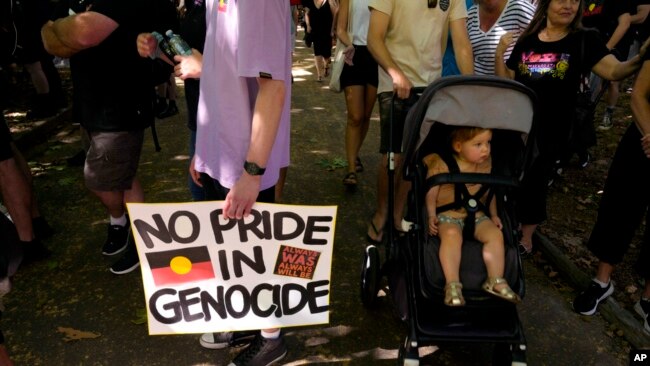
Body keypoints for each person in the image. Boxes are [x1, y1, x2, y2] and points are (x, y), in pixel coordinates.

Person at [495, 0, 650, 255]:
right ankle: (506, 224)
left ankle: (526, 239)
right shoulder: (528, 40)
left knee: (537, 177)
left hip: (553, 127)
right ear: (546, 5)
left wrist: (640, 57)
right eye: (561, 0)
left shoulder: (584, 39)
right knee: (513, 175)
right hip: (520, 125)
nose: (568, 5)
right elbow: (509, 81)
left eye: (574, 1)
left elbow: (613, 71)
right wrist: (499, 55)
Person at [186, 0, 292, 364]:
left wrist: (252, 173)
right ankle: (243, 317)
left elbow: (273, 88)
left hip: (246, 160)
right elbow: (224, 69)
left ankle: (271, 337)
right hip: (222, 149)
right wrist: (204, 148)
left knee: (256, 252)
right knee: (231, 248)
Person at [41, 0, 178, 274]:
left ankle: (140, 239)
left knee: (102, 179)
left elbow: (81, 34)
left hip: (121, 103)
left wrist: (62, 30)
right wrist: (61, 32)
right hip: (90, 102)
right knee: (120, 174)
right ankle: (122, 225)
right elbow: (48, 41)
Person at [366, 0, 474, 243]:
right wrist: (395, 73)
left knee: (414, 155)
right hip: (395, 83)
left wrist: (472, 87)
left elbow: (462, 45)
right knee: (392, 156)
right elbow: (374, 38)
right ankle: (381, 212)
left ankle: (397, 214)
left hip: (430, 86)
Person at [572, 52, 650, 330]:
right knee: (620, 206)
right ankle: (601, 281)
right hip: (644, 136)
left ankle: (648, 300)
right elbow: (639, 94)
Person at [424, 127, 520, 307]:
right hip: (448, 215)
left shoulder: (486, 164)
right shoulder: (441, 163)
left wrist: (494, 214)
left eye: (488, 143)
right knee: (451, 236)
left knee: (496, 235)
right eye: (478, 144)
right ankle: (452, 284)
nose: (486, 149)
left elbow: (489, 192)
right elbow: (431, 193)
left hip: (477, 215)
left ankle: (495, 280)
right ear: (459, 146)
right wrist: (430, 215)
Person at [336, 0, 378, 187]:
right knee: (355, 116)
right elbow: (340, 29)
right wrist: (349, 44)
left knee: (367, 115)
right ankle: (351, 169)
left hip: (378, 56)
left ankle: (355, 154)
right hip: (354, 54)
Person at [581, 0, 635, 131]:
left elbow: (625, 23)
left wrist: (606, 48)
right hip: (585, 47)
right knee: (586, 85)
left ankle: (608, 113)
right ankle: (585, 116)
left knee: (611, 81)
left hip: (611, 46)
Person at [467, 0, 536, 76]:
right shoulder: (470, 15)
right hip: (478, 84)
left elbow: (542, 41)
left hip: (511, 84)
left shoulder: (520, 8)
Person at [303, 0, 338, 82]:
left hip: (327, 31)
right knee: (317, 52)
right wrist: (308, 25)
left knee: (326, 52)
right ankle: (319, 75)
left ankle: (326, 65)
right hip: (315, 30)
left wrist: (333, 29)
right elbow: (306, 14)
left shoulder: (329, 1)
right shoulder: (310, 2)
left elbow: (335, 14)